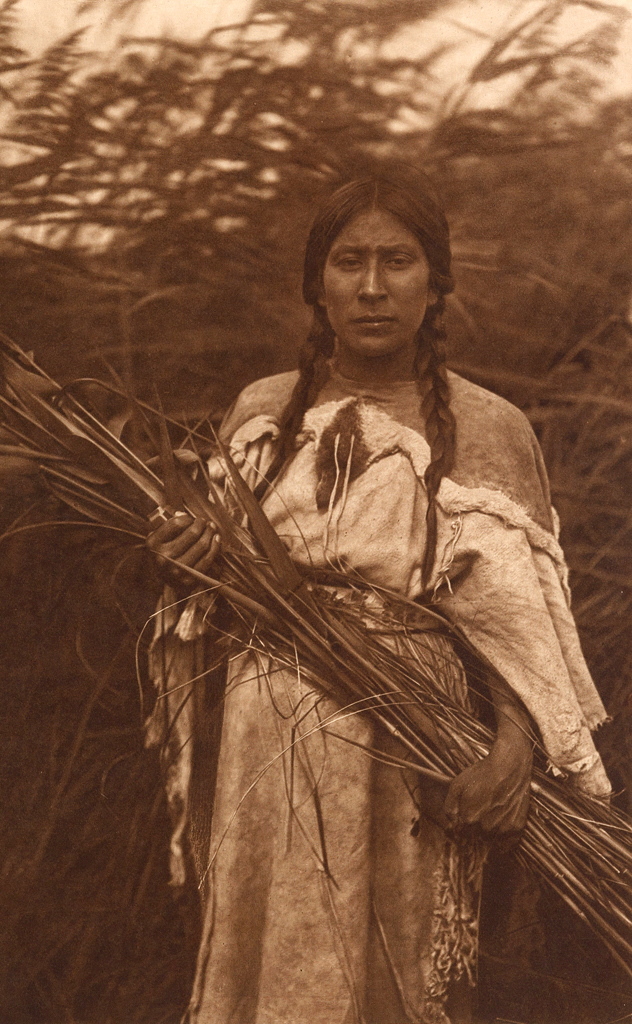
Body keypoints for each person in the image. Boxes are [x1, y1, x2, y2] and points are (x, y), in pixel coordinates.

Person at [145, 164, 611, 1024]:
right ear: (315, 287)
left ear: (436, 286)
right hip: (267, 746)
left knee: (401, 972)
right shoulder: (262, 412)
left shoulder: (489, 427)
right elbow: (216, 594)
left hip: (414, 752)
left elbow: (521, 633)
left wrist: (513, 751)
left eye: (396, 262)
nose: (370, 288)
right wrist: (187, 562)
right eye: (347, 262)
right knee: (276, 970)